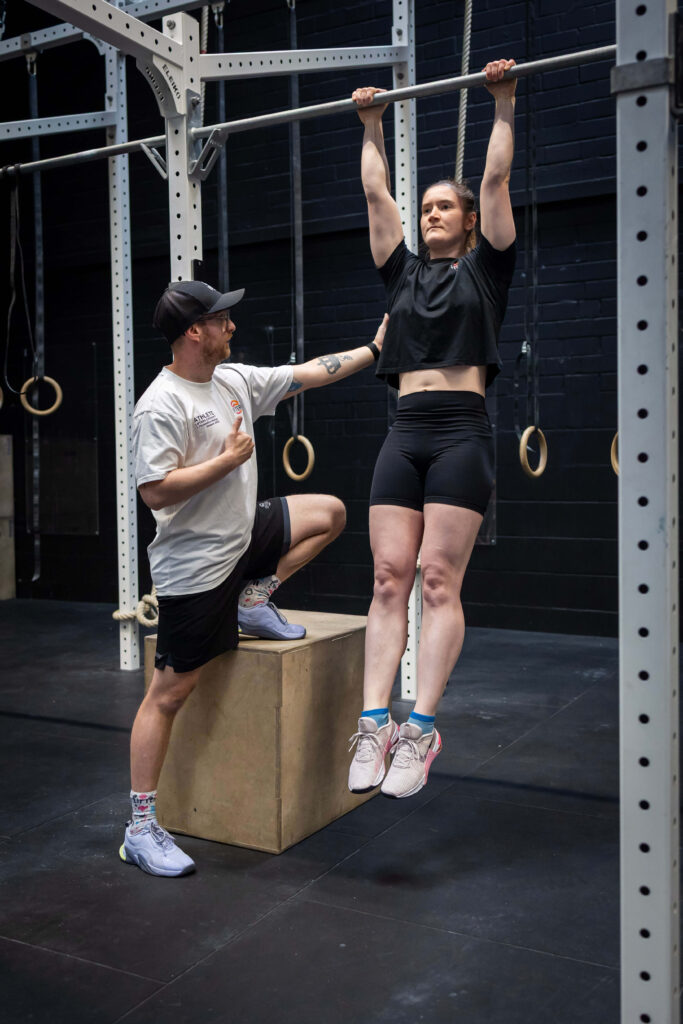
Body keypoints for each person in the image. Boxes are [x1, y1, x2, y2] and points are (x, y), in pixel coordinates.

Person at [121, 279, 387, 876]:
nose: (231, 326)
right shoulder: (161, 404)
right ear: (195, 331)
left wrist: (374, 349)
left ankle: (254, 598)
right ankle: (139, 827)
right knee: (169, 694)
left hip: (243, 537)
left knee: (329, 514)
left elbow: (308, 373)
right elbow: (154, 490)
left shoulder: (233, 380)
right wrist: (226, 462)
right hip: (196, 567)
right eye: (221, 319)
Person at [347, 59, 517, 799]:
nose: (430, 215)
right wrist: (372, 123)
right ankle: (373, 723)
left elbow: (495, 181)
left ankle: (420, 729)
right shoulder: (402, 274)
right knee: (389, 577)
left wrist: (503, 102)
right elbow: (373, 192)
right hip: (405, 429)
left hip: (460, 433)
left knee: (437, 580)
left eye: (444, 207)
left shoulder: (489, 271)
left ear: (469, 221)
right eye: (425, 209)